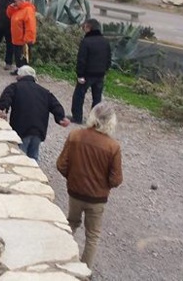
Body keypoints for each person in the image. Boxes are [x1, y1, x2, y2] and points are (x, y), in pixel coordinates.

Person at [56, 102, 123, 268]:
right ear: (111, 122)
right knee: (92, 235)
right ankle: (83, 272)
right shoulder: (113, 146)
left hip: (75, 193)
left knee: (71, 223)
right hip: (97, 199)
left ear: (92, 116)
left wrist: (73, 177)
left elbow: (61, 165)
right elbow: (116, 179)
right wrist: (103, 185)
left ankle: (60, 259)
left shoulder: (75, 135)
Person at [0, 65, 70, 161]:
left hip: (21, 128)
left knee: (20, 157)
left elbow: (5, 99)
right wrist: (61, 118)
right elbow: (55, 105)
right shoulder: (44, 92)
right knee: (33, 158)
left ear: (19, 76)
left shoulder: (14, 87)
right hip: (39, 130)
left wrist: (3, 110)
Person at [71, 18, 112, 124]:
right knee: (97, 98)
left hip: (87, 75)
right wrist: (105, 70)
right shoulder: (105, 41)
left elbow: (81, 59)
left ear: (89, 28)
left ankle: (77, 117)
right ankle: (94, 120)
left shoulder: (86, 41)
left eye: (85, 27)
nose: (84, 29)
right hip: (100, 74)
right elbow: (108, 58)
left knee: (79, 96)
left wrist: (80, 75)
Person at [6, 0, 37, 75]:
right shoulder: (17, 9)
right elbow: (9, 15)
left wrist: (28, 39)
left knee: (24, 57)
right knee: (17, 56)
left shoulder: (27, 10)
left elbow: (30, 25)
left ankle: (25, 73)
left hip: (24, 39)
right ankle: (18, 69)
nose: (14, 3)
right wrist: (11, 7)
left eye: (15, 1)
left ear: (20, 1)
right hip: (16, 38)